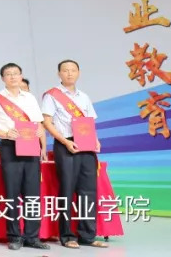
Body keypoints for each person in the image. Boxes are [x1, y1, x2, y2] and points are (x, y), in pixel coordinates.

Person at [0, 62, 49, 251]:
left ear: (21, 76)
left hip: (30, 145)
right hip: (10, 146)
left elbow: (39, 123)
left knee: (32, 193)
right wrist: (4, 133)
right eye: (8, 74)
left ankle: (32, 236)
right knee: (12, 193)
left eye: (16, 73)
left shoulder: (29, 98)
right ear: (3, 78)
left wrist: (39, 132)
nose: (12, 77)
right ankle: (14, 236)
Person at [41, 59, 108, 249]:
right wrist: (65, 141)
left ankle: (87, 235)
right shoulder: (52, 95)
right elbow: (47, 123)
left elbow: (89, 121)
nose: (69, 73)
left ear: (78, 73)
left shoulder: (84, 96)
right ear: (59, 74)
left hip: (86, 145)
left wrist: (95, 140)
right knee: (67, 190)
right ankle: (67, 235)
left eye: (73, 70)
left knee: (88, 191)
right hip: (66, 144)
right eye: (65, 70)